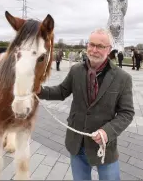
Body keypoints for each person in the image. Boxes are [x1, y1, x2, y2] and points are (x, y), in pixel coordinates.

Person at [36, 28, 135, 180]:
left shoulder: (123, 78)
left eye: (100, 46)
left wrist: (106, 132)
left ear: (109, 50)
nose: (94, 50)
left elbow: (126, 113)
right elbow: (62, 91)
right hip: (77, 143)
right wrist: (39, 91)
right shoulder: (76, 70)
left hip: (104, 147)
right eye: (91, 44)